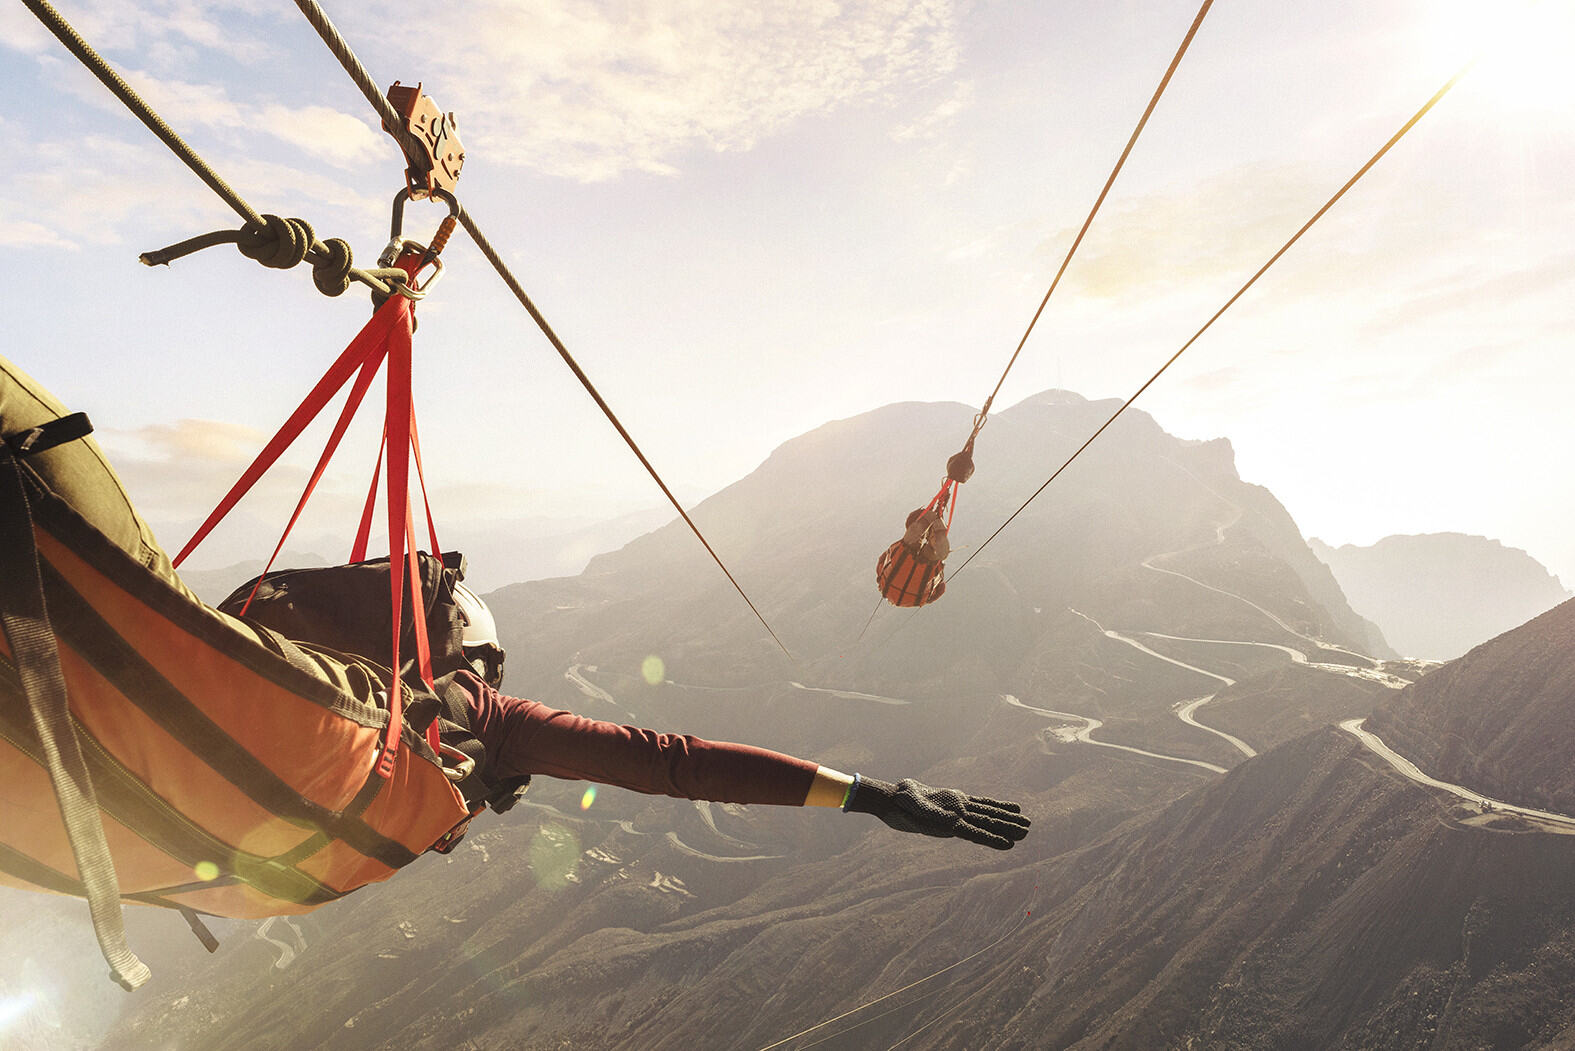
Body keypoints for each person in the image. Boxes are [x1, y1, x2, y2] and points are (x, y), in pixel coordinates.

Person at [0, 354, 1030, 854]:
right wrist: (869, 792)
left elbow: (663, 760)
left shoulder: (422, 714)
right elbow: (665, 761)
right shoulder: (471, 726)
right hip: (157, 698)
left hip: (161, 684)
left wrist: (872, 792)